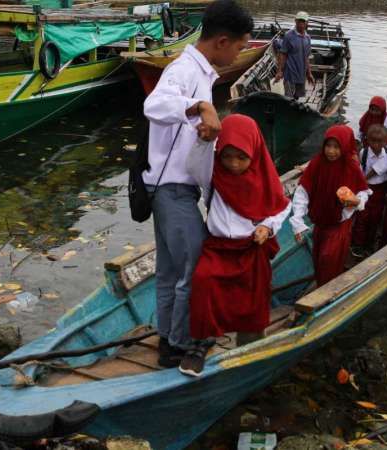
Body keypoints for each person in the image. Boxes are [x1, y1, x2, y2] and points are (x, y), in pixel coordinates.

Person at [142, 0, 253, 368]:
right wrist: (198, 108)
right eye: (239, 47)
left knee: (169, 272)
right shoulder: (184, 71)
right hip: (171, 190)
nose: (239, 54)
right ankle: (183, 342)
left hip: (170, 189)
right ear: (222, 41)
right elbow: (154, 105)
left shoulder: (202, 74)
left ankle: (167, 343)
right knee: (198, 267)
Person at [182, 114, 291, 377]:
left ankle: (250, 344)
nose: (233, 164)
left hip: (250, 249)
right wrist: (205, 140)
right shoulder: (213, 175)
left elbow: (280, 207)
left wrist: (267, 227)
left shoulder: (264, 178)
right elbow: (193, 165)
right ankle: (201, 343)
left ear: (254, 152)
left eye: (241, 158)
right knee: (204, 282)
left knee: (253, 300)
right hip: (218, 248)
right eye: (227, 156)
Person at [290, 125, 371, 286]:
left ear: (345, 147)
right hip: (320, 222)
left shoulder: (351, 167)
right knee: (318, 259)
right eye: (328, 146)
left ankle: (328, 291)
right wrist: (298, 220)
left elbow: (363, 192)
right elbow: (303, 191)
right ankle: (322, 284)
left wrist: (357, 201)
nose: (331, 151)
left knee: (329, 258)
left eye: (336, 147)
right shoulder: (317, 164)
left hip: (339, 224)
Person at [352, 124, 387, 255]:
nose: (376, 144)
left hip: (380, 190)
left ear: (385, 141)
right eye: (373, 141)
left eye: (380, 141)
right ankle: (357, 244)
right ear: (367, 140)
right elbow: (361, 171)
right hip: (366, 188)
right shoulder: (364, 153)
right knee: (362, 217)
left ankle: (369, 244)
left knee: (376, 218)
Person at [275, 11, 315, 100]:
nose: (301, 24)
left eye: (303, 21)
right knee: (288, 98)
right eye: (299, 21)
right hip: (290, 74)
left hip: (301, 74)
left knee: (297, 97)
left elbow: (306, 57)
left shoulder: (307, 38)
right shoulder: (288, 36)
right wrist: (279, 71)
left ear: (307, 23)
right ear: (295, 21)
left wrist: (309, 73)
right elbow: (283, 54)